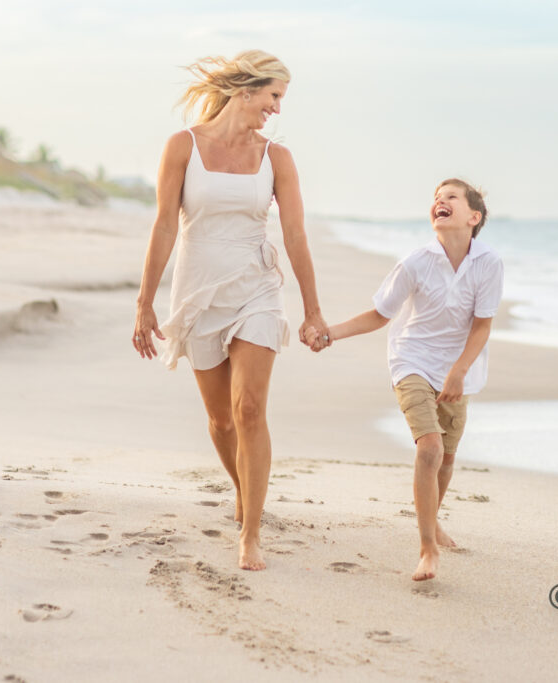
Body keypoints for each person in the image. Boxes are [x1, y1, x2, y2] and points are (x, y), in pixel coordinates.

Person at [132, 50, 329, 571]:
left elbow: (294, 235)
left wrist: (312, 311)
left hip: (256, 286)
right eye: (274, 96)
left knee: (248, 409)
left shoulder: (276, 159)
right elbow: (165, 226)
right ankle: (246, 490)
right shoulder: (183, 147)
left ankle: (251, 532)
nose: (277, 109)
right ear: (245, 90)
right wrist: (144, 302)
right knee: (220, 420)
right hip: (198, 289)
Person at [307, 179, 503, 581]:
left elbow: (482, 326)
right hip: (411, 360)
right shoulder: (415, 262)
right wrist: (330, 333)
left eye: (450, 197)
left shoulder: (489, 263)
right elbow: (380, 315)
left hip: (457, 369)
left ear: (473, 216)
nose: (439, 202)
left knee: (447, 459)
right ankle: (427, 548)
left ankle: (432, 523)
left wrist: (459, 371)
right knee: (429, 448)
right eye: (436, 198)